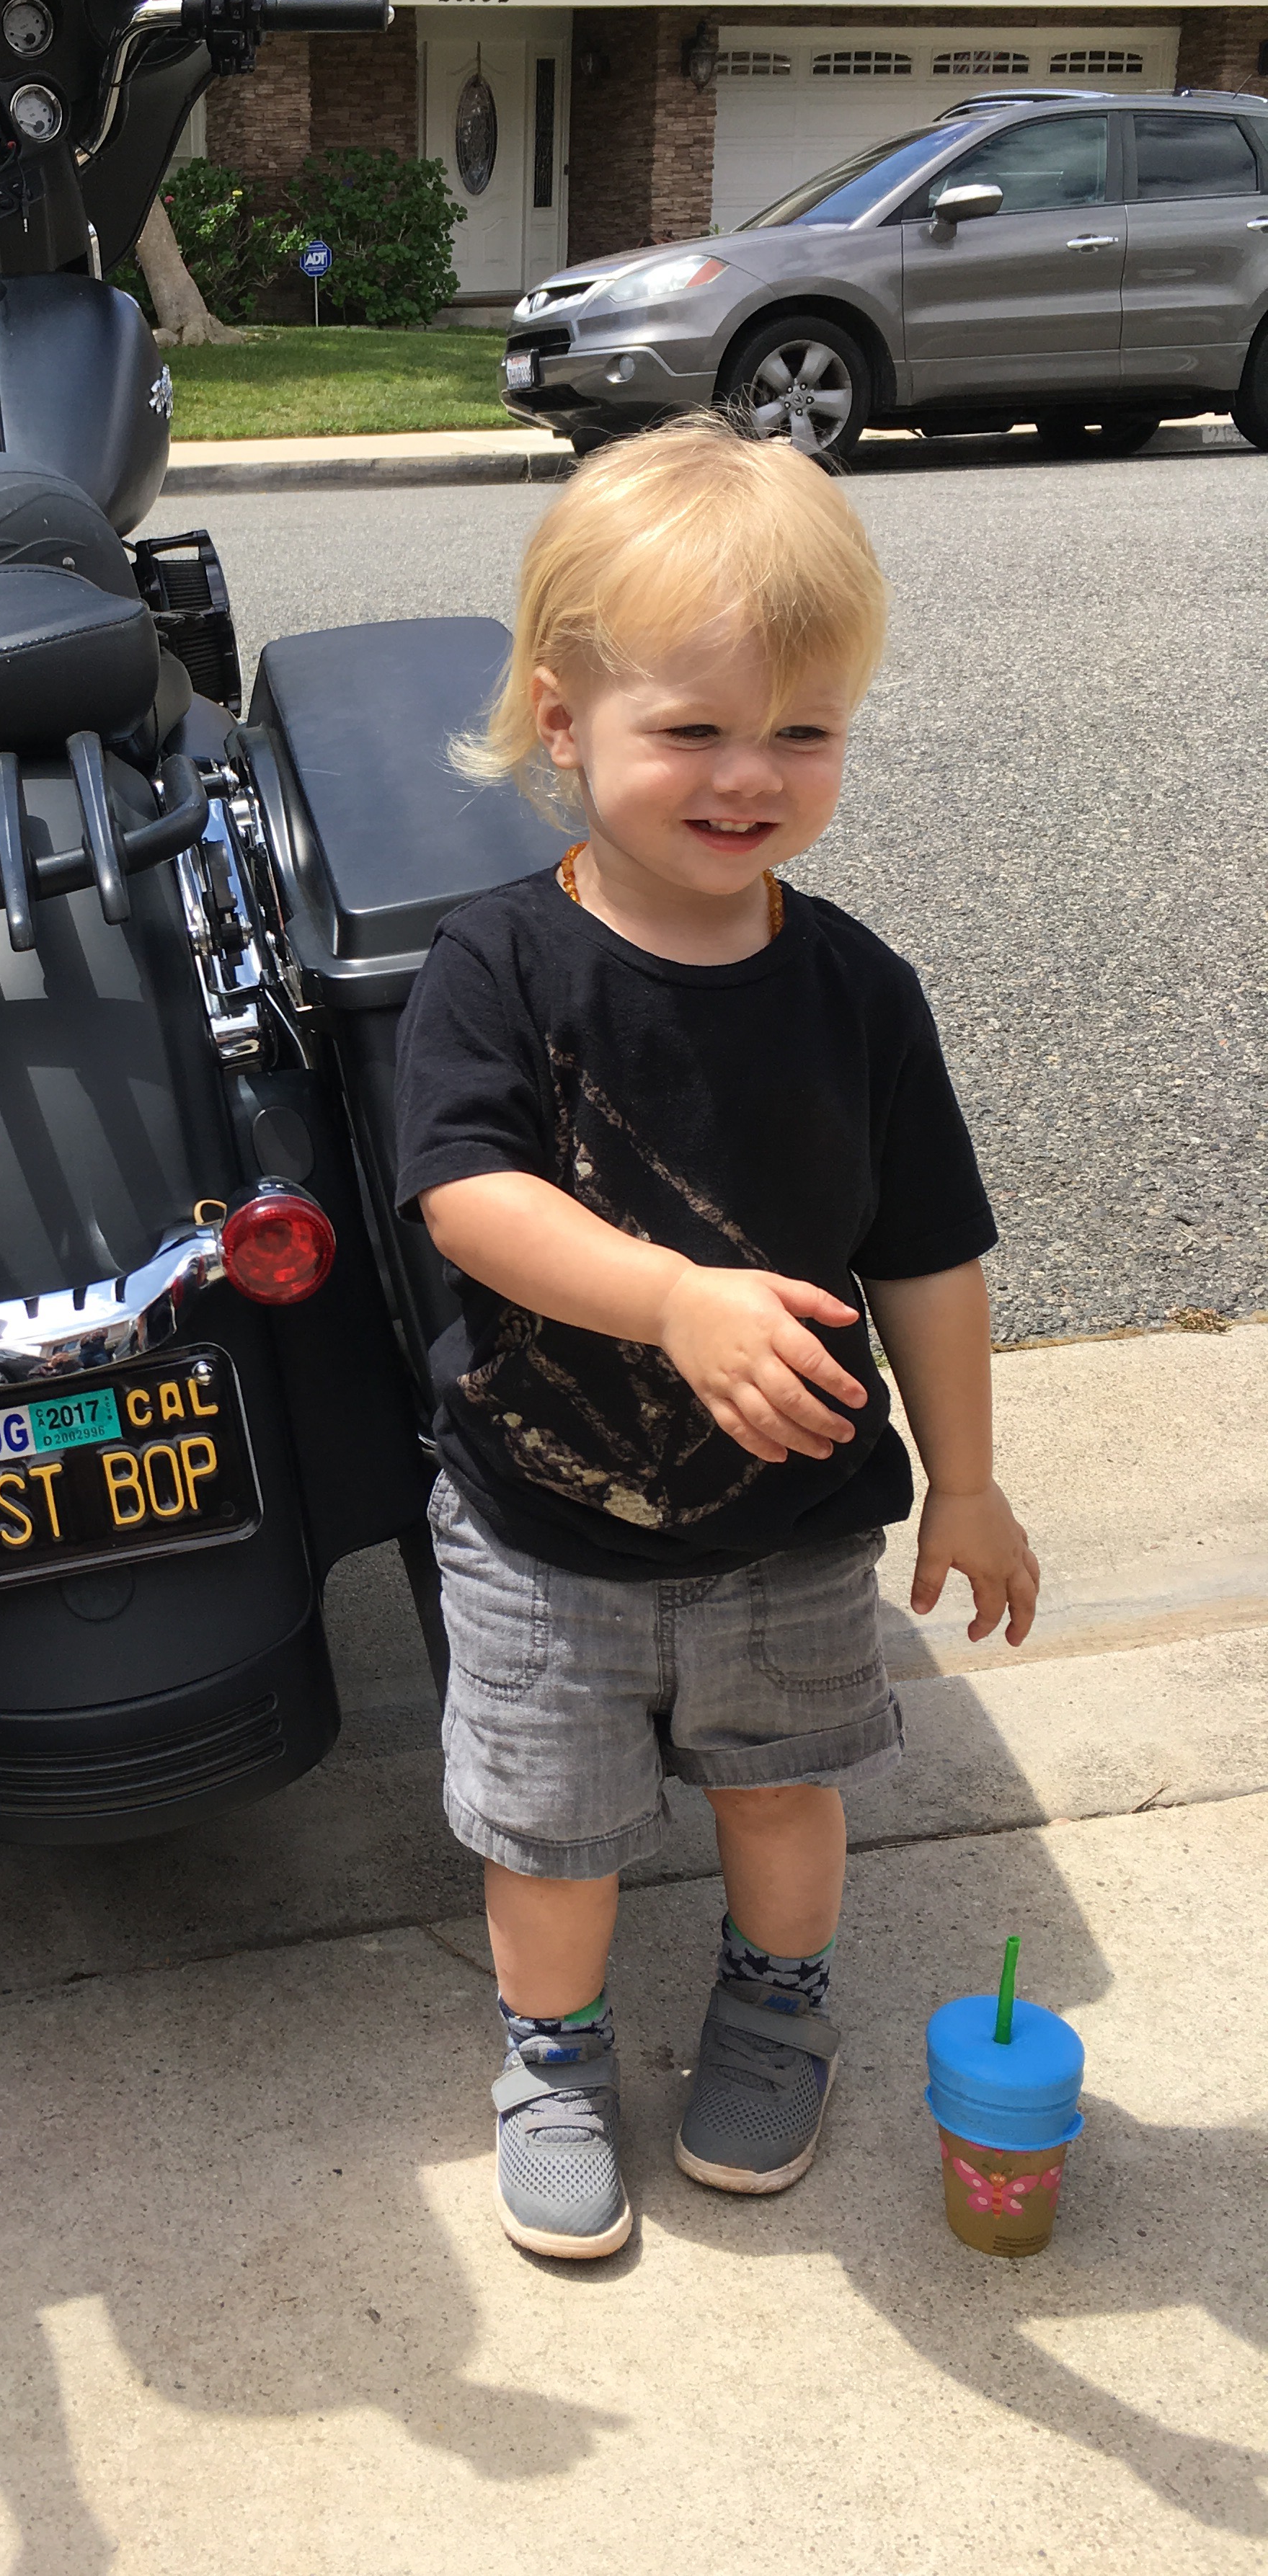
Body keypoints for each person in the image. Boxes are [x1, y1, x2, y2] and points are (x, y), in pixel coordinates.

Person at [393, 415, 1038, 2262]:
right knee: (550, 1839)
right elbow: (468, 1201)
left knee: (783, 1793)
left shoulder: (859, 992)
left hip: (792, 1518)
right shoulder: (498, 966)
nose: (749, 776)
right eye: (692, 729)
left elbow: (929, 1254)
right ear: (564, 719)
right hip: (541, 1518)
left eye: (804, 732)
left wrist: (968, 1480)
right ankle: (552, 2057)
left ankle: (775, 2006)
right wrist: (673, 1298)